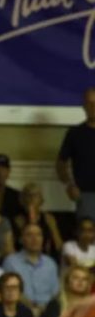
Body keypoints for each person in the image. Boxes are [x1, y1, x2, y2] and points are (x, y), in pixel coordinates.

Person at [55, 87, 95, 223]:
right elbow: (61, 164)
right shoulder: (75, 134)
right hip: (85, 196)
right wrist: (69, 185)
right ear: (83, 106)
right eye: (89, 103)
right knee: (87, 238)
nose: (93, 107)